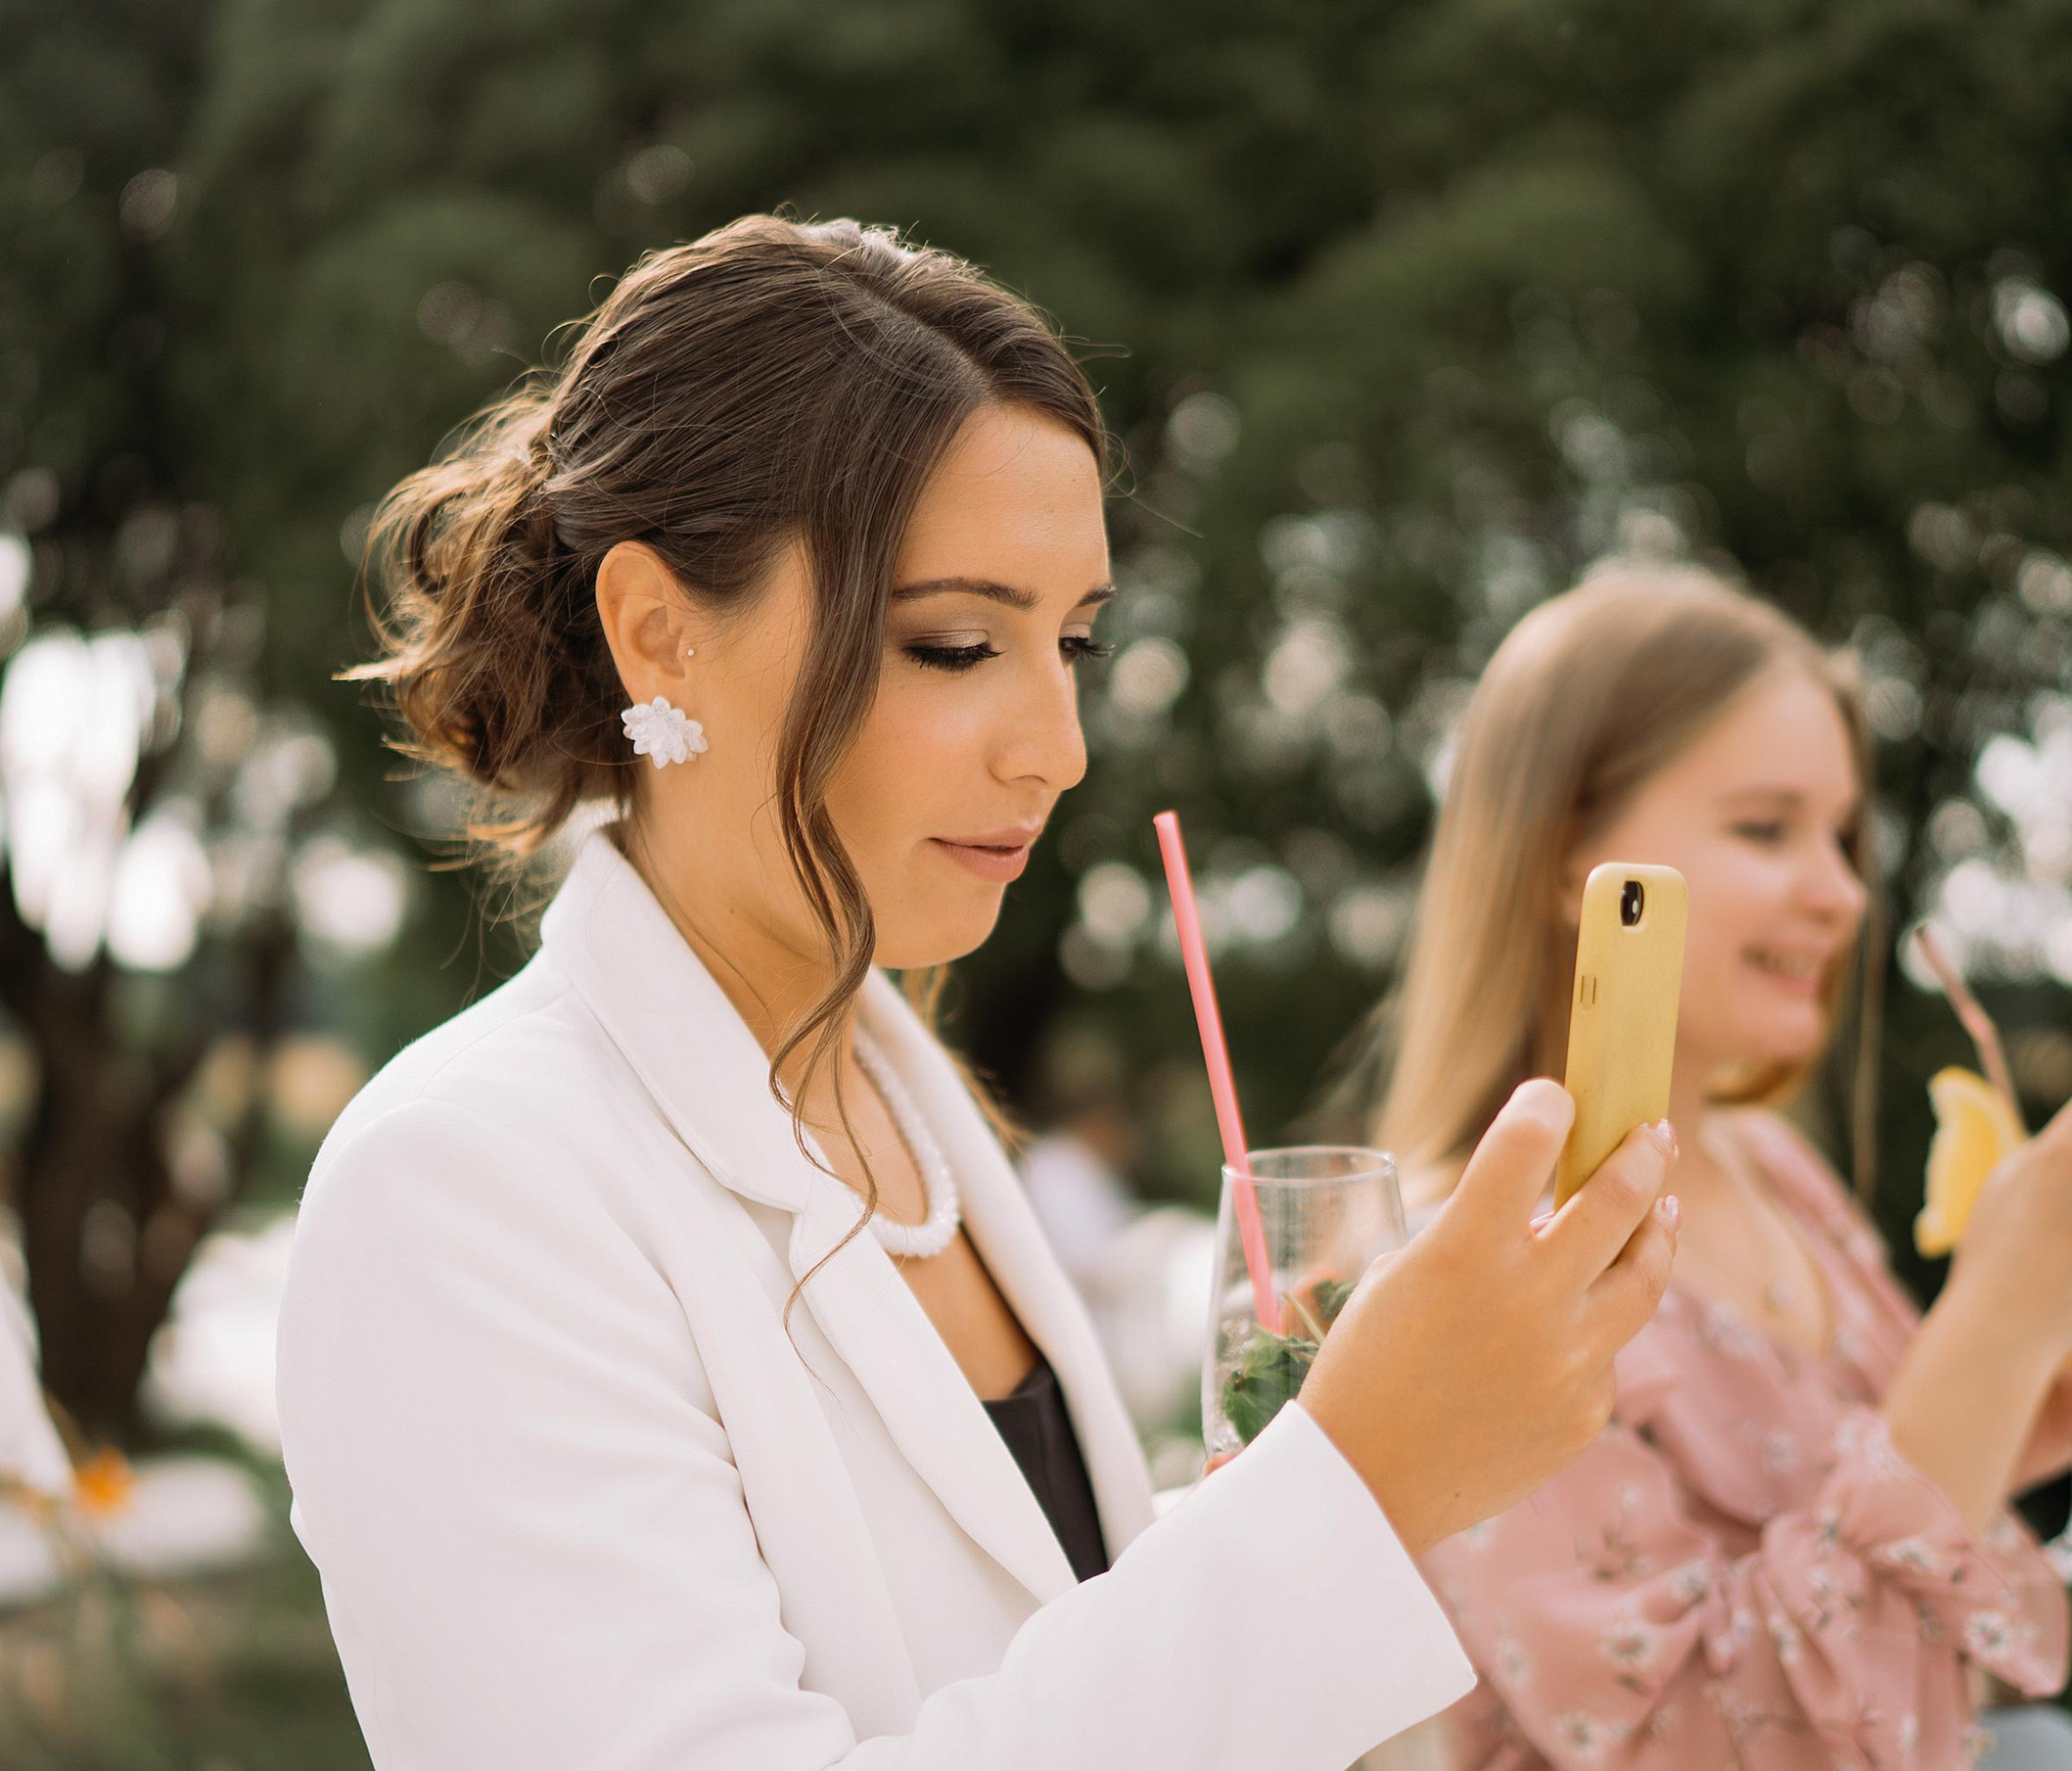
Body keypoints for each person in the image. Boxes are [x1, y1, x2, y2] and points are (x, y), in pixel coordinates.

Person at [274, 216, 1683, 1771]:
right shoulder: (466, 1184)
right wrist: (1361, 1484)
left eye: (1072, 639)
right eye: (955, 645)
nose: (1059, 746)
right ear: (660, 635)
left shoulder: (909, 1101)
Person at [1359, 565, 2072, 1769]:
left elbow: (1854, 1558)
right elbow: (1689, 1736)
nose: (1840, 892)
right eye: (1766, 829)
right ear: (1565, 857)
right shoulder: (1490, 1261)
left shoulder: (1775, 1171)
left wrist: (2020, 1400)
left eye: (1844, 836)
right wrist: (1993, 1333)